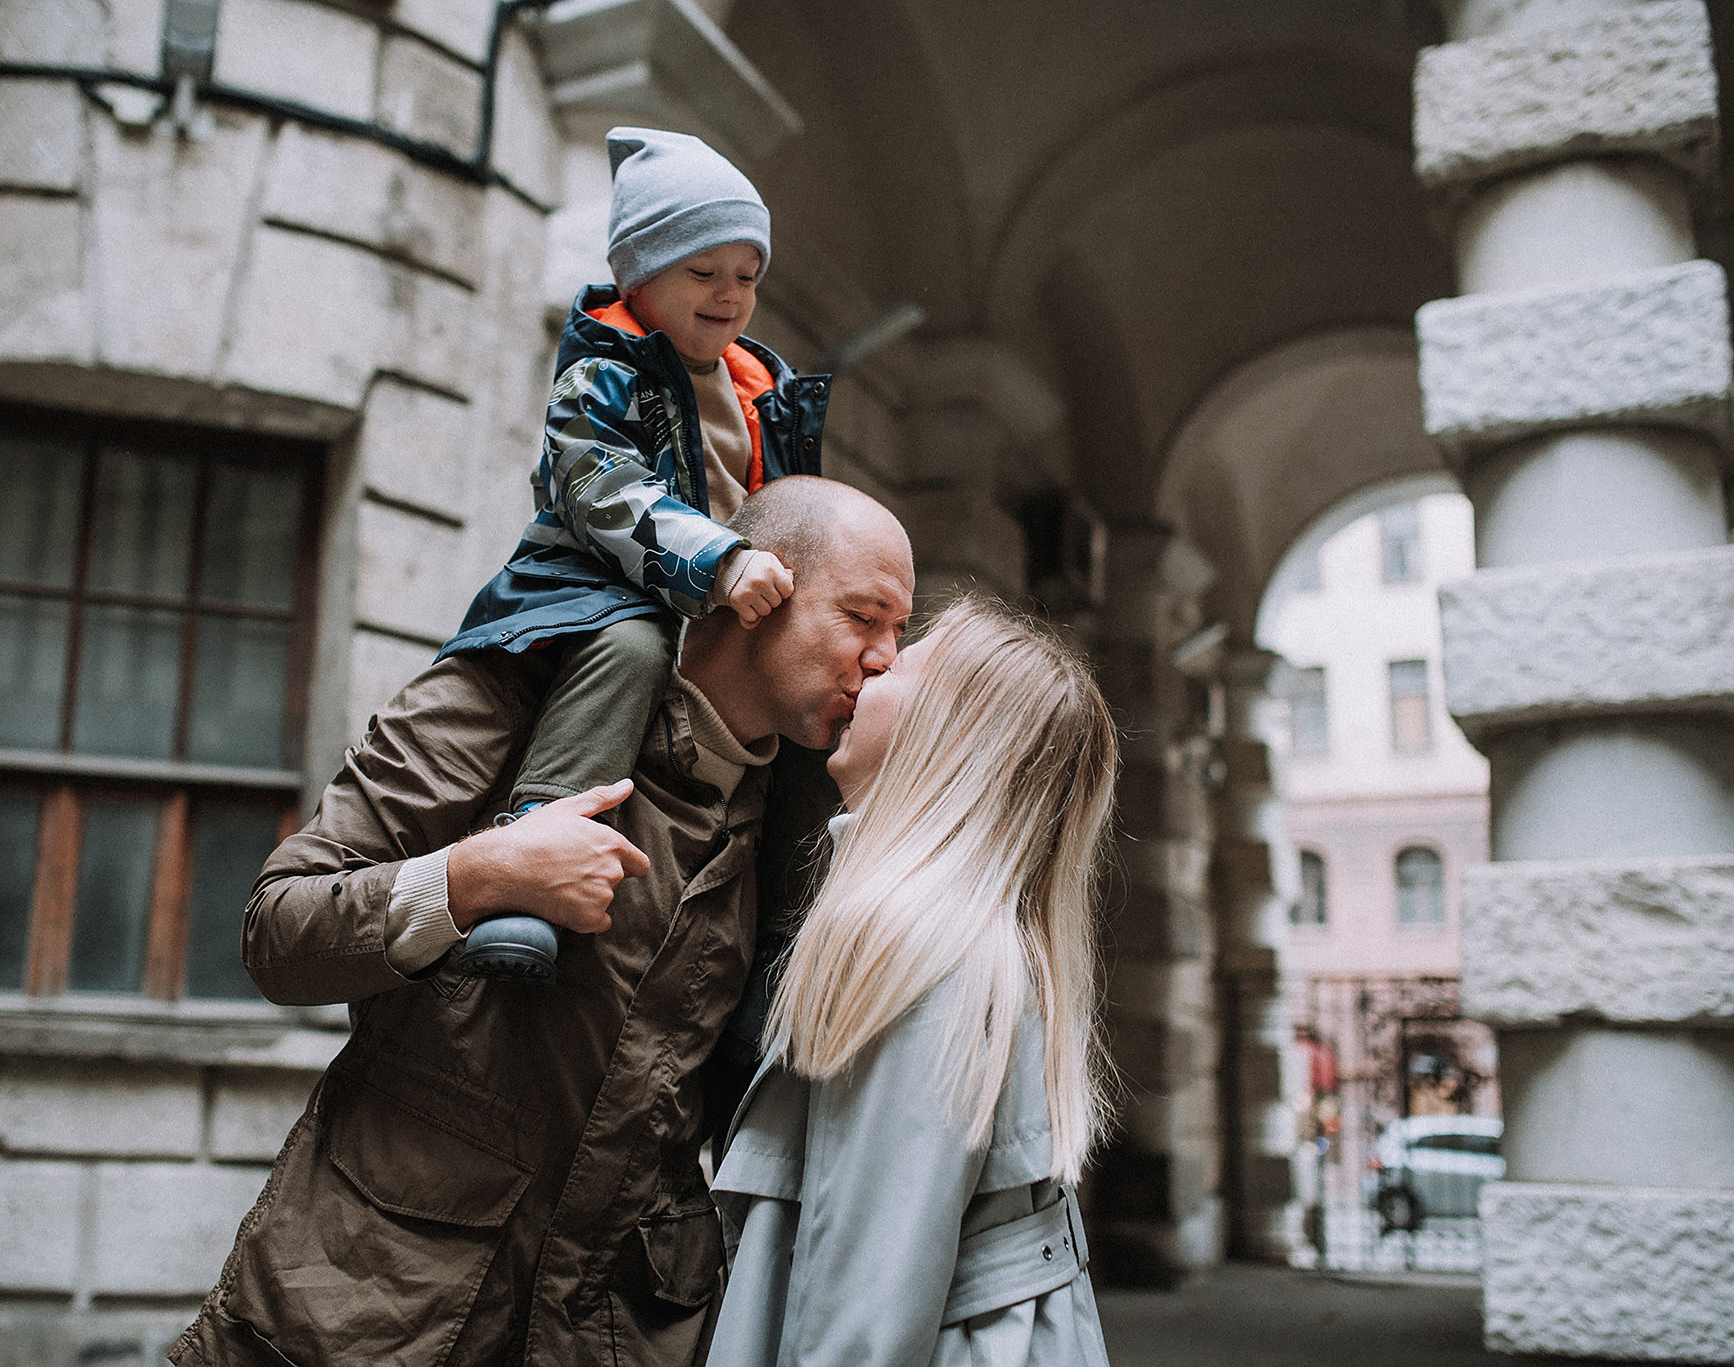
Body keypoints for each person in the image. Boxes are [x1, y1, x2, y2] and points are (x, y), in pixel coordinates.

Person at [170, 477, 914, 1367]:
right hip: (358, 1315)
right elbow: (277, 930)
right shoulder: (529, 679)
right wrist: (477, 875)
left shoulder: (800, 827)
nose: (884, 658)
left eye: (899, 633)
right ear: (760, 588)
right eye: (864, 617)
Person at [437, 125, 828, 981]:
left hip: (733, 600)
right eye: (703, 273)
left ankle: (800, 936)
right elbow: (602, 486)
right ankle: (530, 860)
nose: (730, 295)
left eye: (747, 276)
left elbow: (801, 507)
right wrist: (717, 562)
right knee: (628, 646)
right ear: (636, 274)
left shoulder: (762, 386)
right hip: (601, 585)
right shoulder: (602, 373)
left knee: (822, 707)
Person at [708, 596, 1118, 1367]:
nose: (875, 665)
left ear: (947, 734)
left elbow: (859, 1319)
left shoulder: (920, 949)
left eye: (908, 659)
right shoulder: (957, 938)